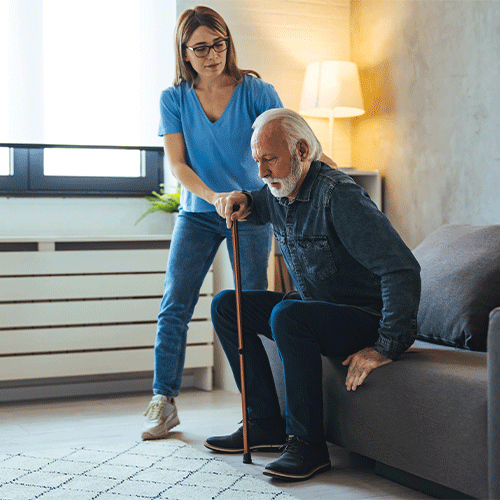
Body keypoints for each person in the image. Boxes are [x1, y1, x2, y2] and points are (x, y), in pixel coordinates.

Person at [206, 108, 421, 481]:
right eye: (257, 161)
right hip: (317, 309)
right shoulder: (281, 189)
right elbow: (260, 200)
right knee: (227, 304)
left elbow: (401, 268)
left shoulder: (340, 197)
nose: (262, 172)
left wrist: (387, 345)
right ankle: (264, 423)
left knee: (287, 314)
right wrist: (243, 200)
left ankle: (308, 446)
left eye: (269, 159)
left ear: (302, 150)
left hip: (361, 318)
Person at [141, 6, 284, 440]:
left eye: (218, 44)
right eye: (200, 48)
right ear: (184, 52)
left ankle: (259, 411)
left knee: (249, 310)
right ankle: (163, 402)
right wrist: (213, 196)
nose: (211, 55)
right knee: (175, 306)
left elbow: (287, 138)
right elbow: (179, 166)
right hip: (199, 214)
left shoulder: (257, 91)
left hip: (251, 211)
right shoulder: (175, 98)